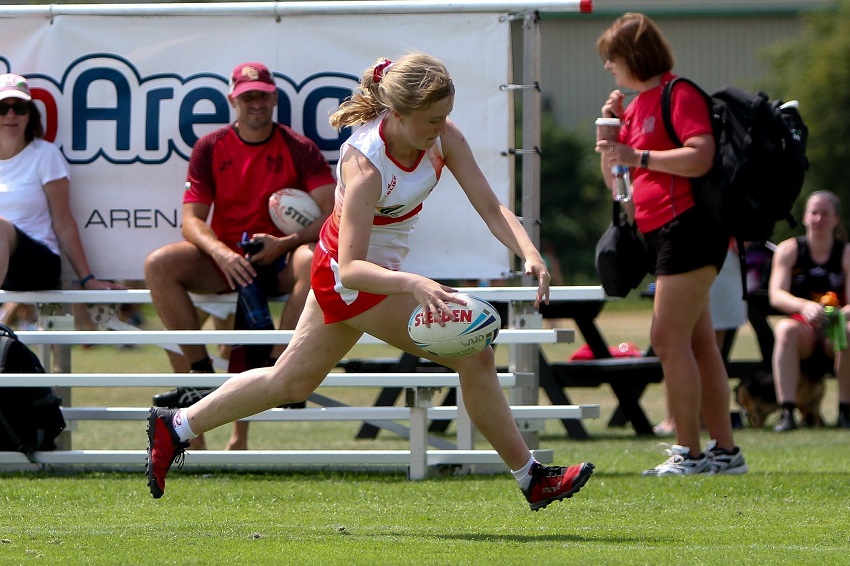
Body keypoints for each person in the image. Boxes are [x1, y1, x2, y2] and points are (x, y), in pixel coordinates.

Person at [146, 52, 595, 509]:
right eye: (432, 120)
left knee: (290, 383)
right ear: (396, 115)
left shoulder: (441, 134)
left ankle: (177, 425)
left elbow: (491, 207)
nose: (441, 129)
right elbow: (354, 267)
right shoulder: (365, 164)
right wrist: (412, 284)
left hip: (357, 272)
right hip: (351, 276)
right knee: (475, 353)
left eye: (446, 118)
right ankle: (532, 477)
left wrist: (531, 253)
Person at [143, 62, 336, 450]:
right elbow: (192, 221)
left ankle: (284, 365)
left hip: (278, 261)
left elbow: (334, 212)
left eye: (262, 95)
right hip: (226, 262)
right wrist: (222, 253)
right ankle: (196, 379)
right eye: (248, 95)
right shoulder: (210, 146)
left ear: (274, 98)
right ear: (233, 99)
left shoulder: (299, 148)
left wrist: (283, 243)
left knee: (308, 257)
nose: (256, 103)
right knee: (159, 264)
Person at [595, 13, 747, 476]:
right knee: (698, 344)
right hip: (661, 231)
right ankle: (725, 451)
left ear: (633, 56)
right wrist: (611, 135)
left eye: (612, 58)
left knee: (665, 338)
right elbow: (619, 186)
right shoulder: (638, 105)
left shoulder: (678, 93)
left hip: (690, 227)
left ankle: (689, 452)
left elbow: (699, 156)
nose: (608, 68)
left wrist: (636, 154)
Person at [0, 73, 122, 300]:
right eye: (2, 108)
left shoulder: (45, 155)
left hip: (38, 265)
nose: (10, 115)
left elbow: (64, 222)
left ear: (30, 114)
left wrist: (87, 279)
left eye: (19, 108)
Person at [768, 190, 850, 431]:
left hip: (835, 330)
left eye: (825, 214)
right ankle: (787, 412)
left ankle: (845, 411)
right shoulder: (790, 250)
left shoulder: (845, 253)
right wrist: (805, 306)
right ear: (805, 217)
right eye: (814, 213)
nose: (819, 219)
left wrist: (839, 314)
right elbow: (777, 294)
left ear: (836, 219)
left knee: (849, 331)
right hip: (803, 326)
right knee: (784, 330)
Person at [652, 238, 748, 435]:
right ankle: (683, 420)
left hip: (709, 255)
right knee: (685, 345)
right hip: (698, 255)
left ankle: (692, 422)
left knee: (694, 347)